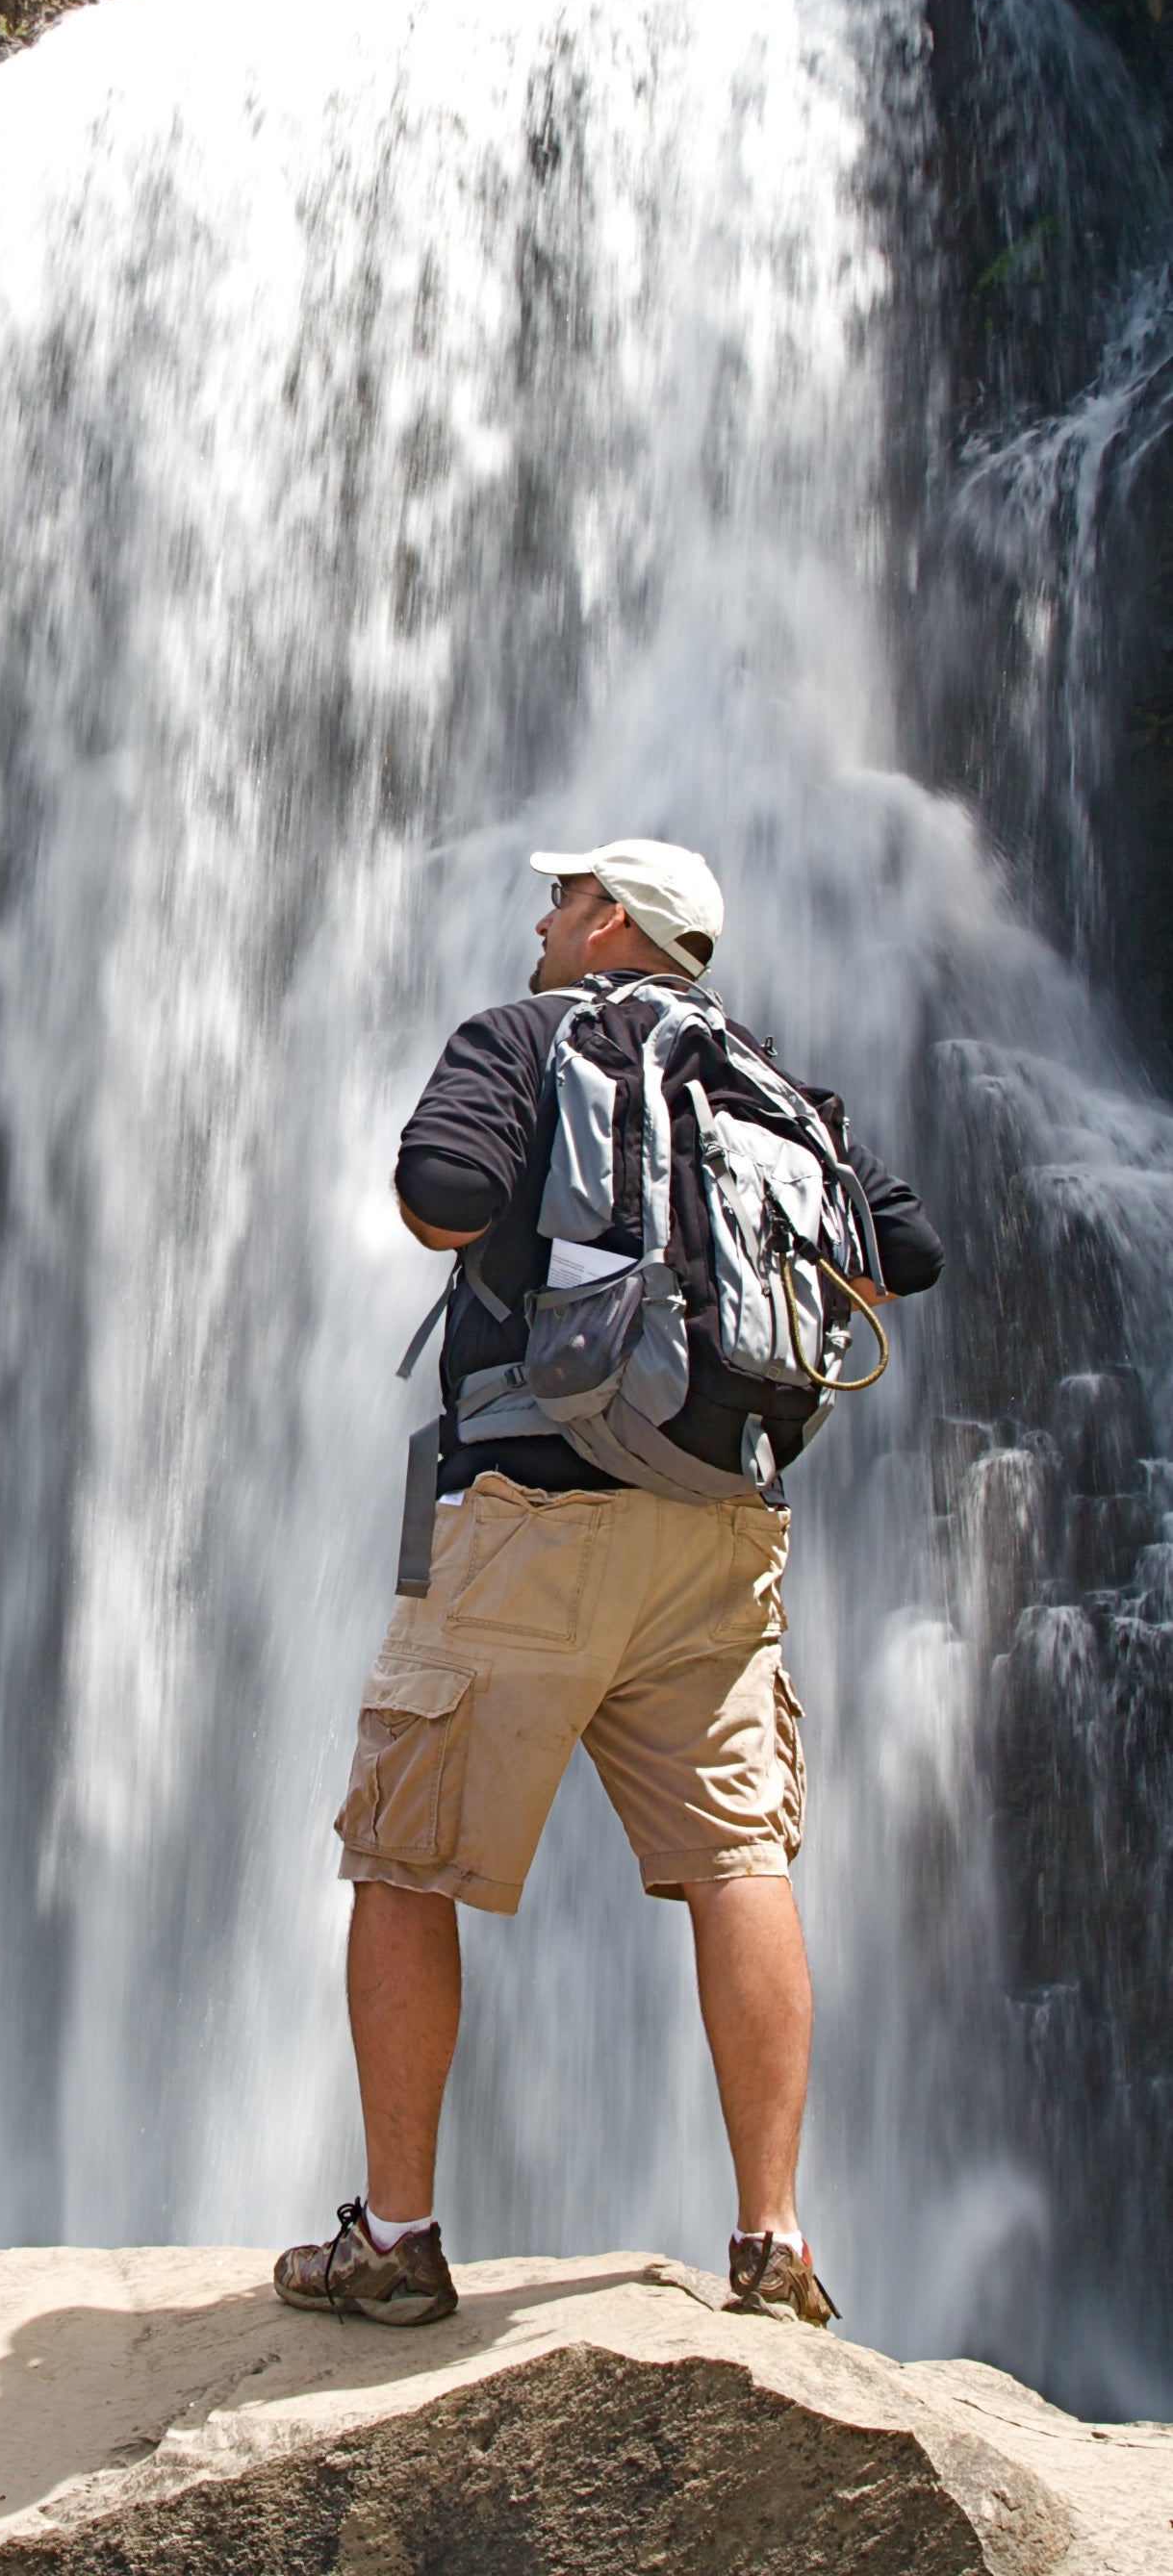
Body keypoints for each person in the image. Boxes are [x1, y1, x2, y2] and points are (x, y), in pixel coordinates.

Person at [273, 840, 944, 2333]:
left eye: (564, 897)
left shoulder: (523, 1038)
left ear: (616, 928)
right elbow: (906, 1252)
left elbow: (445, 1196)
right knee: (736, 1860)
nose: (542, 915)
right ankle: (775, 2245)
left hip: (535, 1514)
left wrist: (490, 1222)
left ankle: (394, 2237)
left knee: (406, 1851)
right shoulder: (768, 1080)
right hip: (719, 1535)